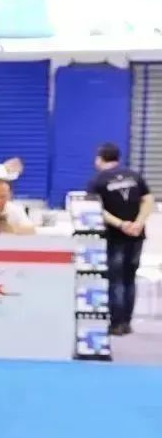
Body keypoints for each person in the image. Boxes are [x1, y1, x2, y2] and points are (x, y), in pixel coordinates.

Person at [88, 142, 154, 336]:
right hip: (136, 236)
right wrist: (138, 223)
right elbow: (148, 199)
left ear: (100, 158)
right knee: (129, 279)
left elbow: (96, 209)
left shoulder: (97, 181)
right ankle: (127, 322)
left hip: (114, 236)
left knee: (115, 280)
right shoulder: (135, 176)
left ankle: (116, 324)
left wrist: (121, 224)